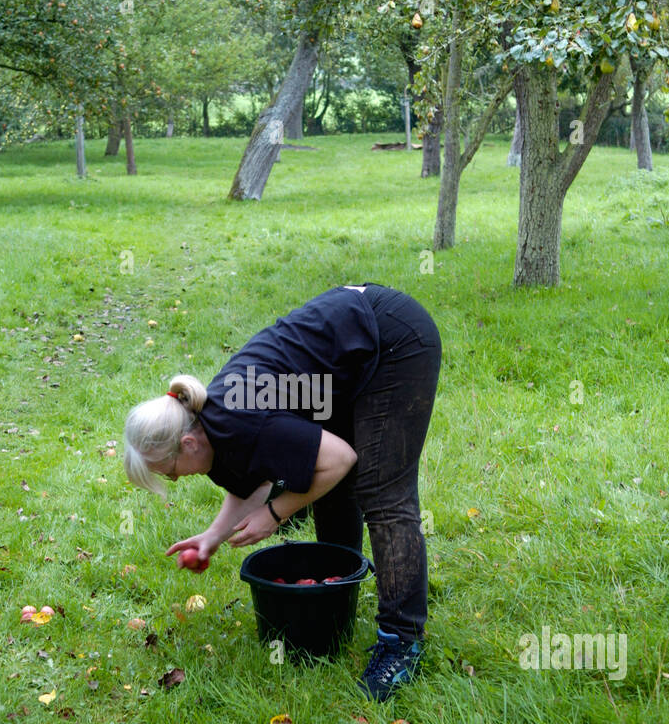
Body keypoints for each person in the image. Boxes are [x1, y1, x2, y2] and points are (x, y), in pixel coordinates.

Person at [122, 283, 442, 701]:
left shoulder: (241, 423)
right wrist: (211, 539)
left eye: (170, 471)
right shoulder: (212, 427)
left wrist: (275, 514)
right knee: (324, 481)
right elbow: (250, 482)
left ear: (188, 444)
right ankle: (338, 595)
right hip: (347, 358)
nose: (177, 480)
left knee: (383, 491)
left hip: (393, 339)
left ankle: (401, 641)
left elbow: (339, 458)